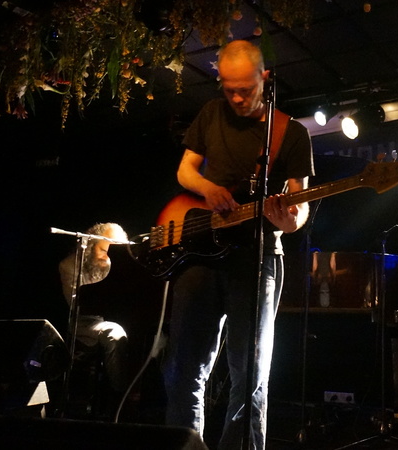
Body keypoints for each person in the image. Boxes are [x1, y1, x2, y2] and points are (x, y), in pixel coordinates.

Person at [163, 39, 314, 449]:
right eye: (229, 89)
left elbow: (300, 207)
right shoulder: (211, 113)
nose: (236, 98)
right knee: (183, 366)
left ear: (265, 78)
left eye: (245, 89)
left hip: (257, 256)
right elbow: (185, 171)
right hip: (201, 251)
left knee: (250, 374)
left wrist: (289, 219)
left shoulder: (291, 132)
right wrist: (209, 189)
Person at [58, 222, 130, 418]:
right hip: (85, 324)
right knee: (114, 334)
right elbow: (77, 305)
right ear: (91, 245)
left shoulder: (118, 266)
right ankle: (121, 398)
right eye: (104, 250)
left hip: (118, 317)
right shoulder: (70, 265)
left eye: (115, 252)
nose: (108, 256)